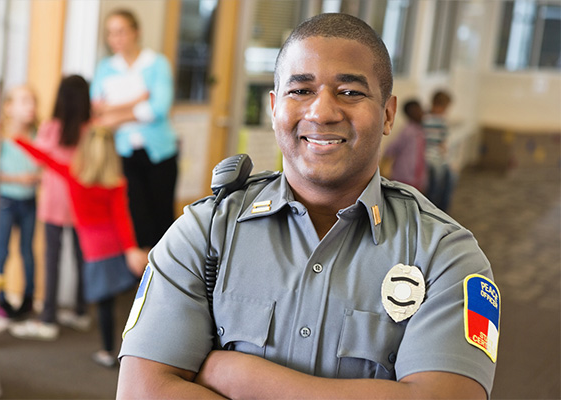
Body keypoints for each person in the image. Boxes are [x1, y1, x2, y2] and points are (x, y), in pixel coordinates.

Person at [117, 13, 499, 399]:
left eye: (350, 92)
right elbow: (140, 392)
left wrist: (239, 376)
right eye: (300, 91)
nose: (322, 112)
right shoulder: (206, 230)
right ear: (273, 107)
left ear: (387, 113)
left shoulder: (447, 255)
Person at [13, 126, 147, 368]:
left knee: (105, 306)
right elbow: (122, 219)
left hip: (95, 252)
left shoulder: (73, 175)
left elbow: (43, 157)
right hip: (116, 247)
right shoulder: (116, 183)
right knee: (130, 303)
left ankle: (108, 352)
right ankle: (138, 352)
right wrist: (130, 249)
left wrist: (17, 138)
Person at [9, 75, 91, 341]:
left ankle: (48, 318)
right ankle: (81, 311)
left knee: (52, 259)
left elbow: (37, 158)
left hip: (55, 203)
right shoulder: (92, 129)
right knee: (83, 258)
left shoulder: (51, 128)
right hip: (83, 204)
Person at [90, 8, 178, 251]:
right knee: (135, 219)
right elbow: (98, 113)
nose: (115, 39)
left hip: (160, 152)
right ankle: (138, 285)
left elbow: (158, 108)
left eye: (121, 32)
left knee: (161, 219)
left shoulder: (157, 64)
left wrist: (115, 114)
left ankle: (162, 282)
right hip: (123, 154)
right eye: (110, 34)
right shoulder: (105, 68)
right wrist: (138, 101)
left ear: (135, 32)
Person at [0, 85, 40, 321]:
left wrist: (37, 178)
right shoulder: (0, 137)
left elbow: (46, 165)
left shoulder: (39, 136)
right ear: (9, 107)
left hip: (30, 201)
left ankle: (28, 299)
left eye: (32, 101)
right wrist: (19, 179)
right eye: (23, 101)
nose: (30, 107)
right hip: (5, 200)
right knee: (1, 251)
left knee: (27, 252)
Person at [382, 99, 427, 192]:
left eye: (420, 109)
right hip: (404, 176)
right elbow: (391, 149)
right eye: (417, 111)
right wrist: (383, 168)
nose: (421, 113)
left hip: (417, 177)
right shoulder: (407, 131)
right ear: (409, 114)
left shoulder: (420, 130)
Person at [423, 90, 454, 211]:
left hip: (436, 156)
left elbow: (442, 145)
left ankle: (442, 209)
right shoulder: (426, 119)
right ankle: (432, 208)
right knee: (438, 176)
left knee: (450, 177)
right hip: (427, 155)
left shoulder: (441, 121)